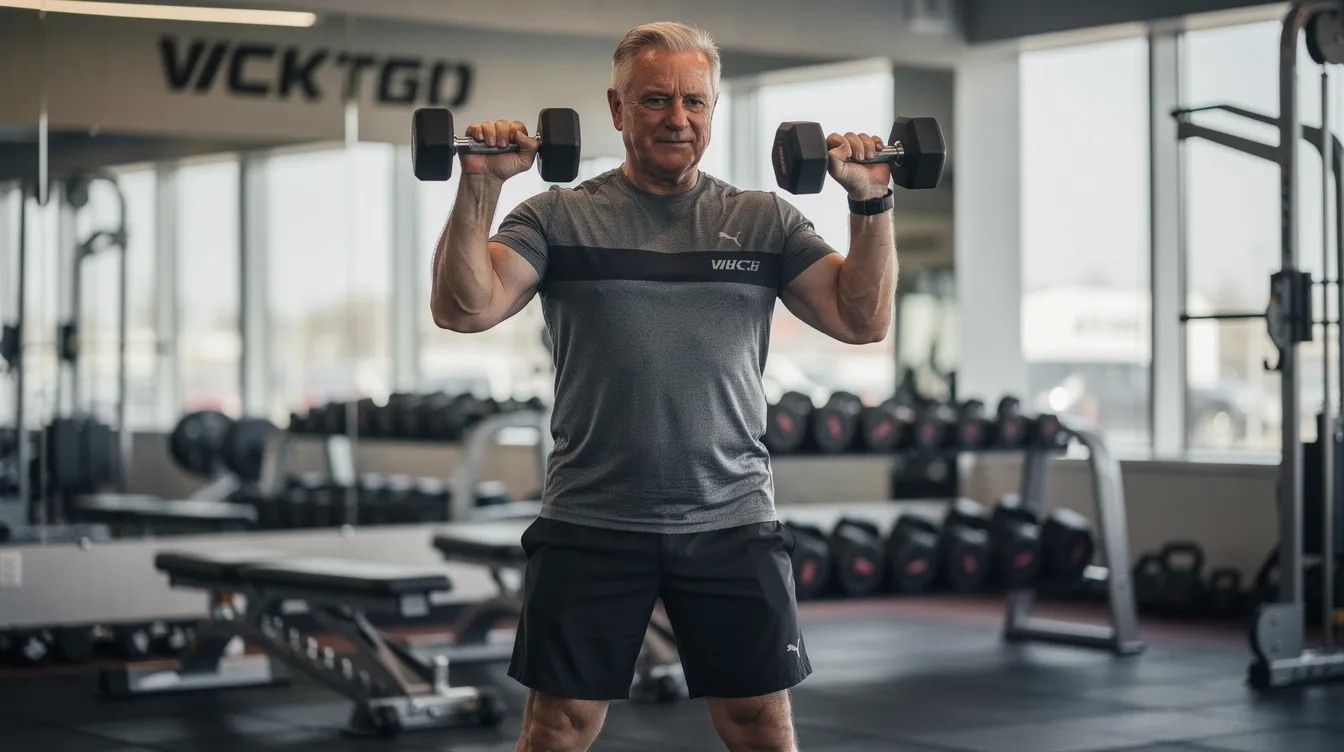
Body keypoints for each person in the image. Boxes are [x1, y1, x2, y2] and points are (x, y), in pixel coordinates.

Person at [429, 21, 897, 752]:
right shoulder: (557, 217)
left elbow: (862, 320)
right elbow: (464, 308)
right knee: (557, 728)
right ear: (617, 110)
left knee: (761, 726)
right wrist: (480, 187)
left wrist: (870, 203)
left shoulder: (762, 220)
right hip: (593, 518)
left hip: (732, 519)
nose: (678, 118)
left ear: (712, 109)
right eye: (655, 100)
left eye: (694, 102)